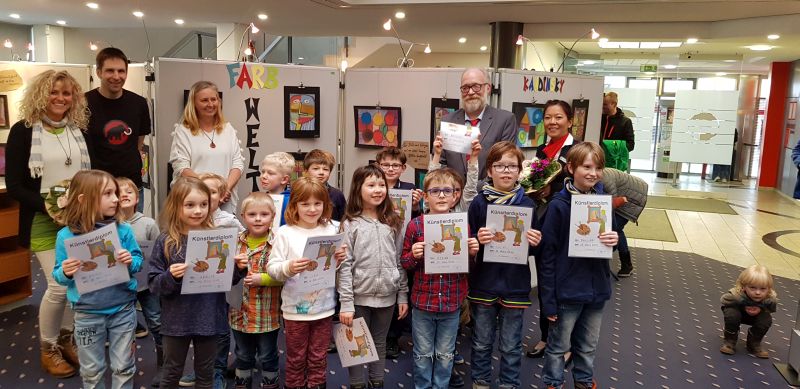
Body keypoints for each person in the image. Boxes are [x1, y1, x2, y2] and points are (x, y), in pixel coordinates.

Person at [6, 69, 92, 378]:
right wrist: (47, 206)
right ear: (42, 95)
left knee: (78, 283)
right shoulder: (23, 131)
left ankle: (68, 339)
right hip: (43, 220)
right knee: (58, 284)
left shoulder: (78, 130)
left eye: (66, 93)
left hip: (79, 220)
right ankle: (48, 347)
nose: (60, 98)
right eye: (54, 92)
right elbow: (14, 185)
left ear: (74, 98)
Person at [148, 177, 248, 388]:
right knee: (171, 372)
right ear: (176, 206)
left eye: (203, 204)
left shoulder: (217, 238)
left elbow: (225, 280)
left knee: (206, 373)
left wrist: (238, 269)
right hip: (176, 320)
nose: (198, 211)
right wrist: (171, 276)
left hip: (209, 316)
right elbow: (154, 284)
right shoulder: (166, 240)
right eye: (190, 205)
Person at [52, 169, 144, 389]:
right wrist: (65, 271)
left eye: (116, 193)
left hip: (122, 309)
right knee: (92, 372)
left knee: (124, 367)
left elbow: (139, 262)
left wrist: (130, 260)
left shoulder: (123, 230)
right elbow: (59, 277)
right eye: (108, 193)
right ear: (84, 200)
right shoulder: (66, 236)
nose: (116, 198)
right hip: (87, 313)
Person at [539, 142, 619, 389]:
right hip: (567, 290)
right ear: (571, 167)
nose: (593, 173)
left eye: (598, 167)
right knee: (558, 346)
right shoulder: (558, 205)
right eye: (586, 167)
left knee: (588, 345)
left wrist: (614, 240)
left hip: (595, 289)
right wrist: (548, 300)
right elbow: (547, 256)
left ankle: (584, 381)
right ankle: (553, 382)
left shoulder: (603, 203)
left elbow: (612, 240)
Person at [468, 141, 542, 389]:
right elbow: (468, 243)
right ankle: (480, 381)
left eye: (512, 166)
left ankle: (509, 383)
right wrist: (477, 239)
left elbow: (532, 249)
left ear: (520, 171)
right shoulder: (479, 203)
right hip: (484, 282)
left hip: (515, 284)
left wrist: (535, 242)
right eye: (500, 166)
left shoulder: (528, 205)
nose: (506, 171)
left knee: (511, 344)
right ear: (489, 171)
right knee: (481, 340)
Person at [400, 168, 479, 389]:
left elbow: (468, 268)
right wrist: (414, 255)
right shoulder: (416, 225)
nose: (442, 195)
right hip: (424, 303)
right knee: (423, 354)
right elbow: (405, 263)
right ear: (426, 197)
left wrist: (473, 254)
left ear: (456, 196)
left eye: (448, 191)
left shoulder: (462, 226)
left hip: (452, 303)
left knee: (445, 355)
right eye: (435, 191)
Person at [267, 178, 347, 389]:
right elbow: (272, 268)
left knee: (318, 357)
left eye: (317, 204)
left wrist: (338, 260)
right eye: (305, 204)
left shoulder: (333, 229)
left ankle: (317, 384)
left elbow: (335, 269)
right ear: (294, 205)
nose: (312, 209)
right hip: (295, 310)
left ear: (325, 205)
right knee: (295, 358)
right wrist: (289, 267)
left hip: (325, 308)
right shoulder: (285, 233)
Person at [338, 164, 409, 389]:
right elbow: (344, 266)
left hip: (388, 295)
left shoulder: (394, 221)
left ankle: (377, 381)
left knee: (379, 342)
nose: (378, 189)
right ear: (358, 188)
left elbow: (399, 260)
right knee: (356, 343)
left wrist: (402, 295)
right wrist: (346, 303)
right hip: (358, 296)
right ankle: (357, 383)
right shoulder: (350, 224)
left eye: (381, 185)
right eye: (371, 185)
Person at [527, 100, 579, 359]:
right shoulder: (542, 149)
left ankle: (566, 343)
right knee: (546, 279)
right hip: (543, 221)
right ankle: (547, 338)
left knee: (563, 282)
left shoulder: (577, 149)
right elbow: (537, 180)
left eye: (558, 117)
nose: (552, 122)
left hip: (567, 224)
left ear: (570, 120)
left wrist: (553, 189)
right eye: (548, 117)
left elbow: (580, 185)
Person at [85, 48, 151, 211]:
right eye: (110, 71)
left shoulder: (139, 103)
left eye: (121, 71)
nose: (116, 76)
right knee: (100, 236)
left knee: (131, 234)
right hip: (96, 188)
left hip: (130, 187)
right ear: (99, 72)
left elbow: (138, 144)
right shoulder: (83, 104)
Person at [229, 192, 282, 389]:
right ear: (243, 216)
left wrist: (263, 279)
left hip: (267, 315)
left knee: (268, 353)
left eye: (264, 214)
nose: (258, 219)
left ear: (273, 216)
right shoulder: (234, 243)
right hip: (239, 313)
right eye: (252, 214)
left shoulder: (277, 243)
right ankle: (243, 380)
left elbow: (286, 276)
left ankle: (270, 381)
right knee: (242, 352)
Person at [169, 81, 244, 214]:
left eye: (213, 99)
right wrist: (209, 190)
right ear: (194, 103)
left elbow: (237, 164)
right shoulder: (183, 131)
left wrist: (224, 189)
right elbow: (182, 167)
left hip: (224, 200)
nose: (210, 104)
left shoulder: (228, 129)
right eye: (204, 100)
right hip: (193, 200)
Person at [117, 177, 164, 386]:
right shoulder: (109, 226)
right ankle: (125, 365)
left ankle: (165, 361)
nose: (124, 194)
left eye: (129, 191)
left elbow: (159, 250)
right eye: (118, 192)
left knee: (156, 320)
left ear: (137, 197)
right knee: (125, 327)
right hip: (121, 286)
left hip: (146, 286)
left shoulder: (148, 223)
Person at [376, 146, 422, 358]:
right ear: (378, 165)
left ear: (403, 168)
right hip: (377, 245)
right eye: (386, 164)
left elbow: (418, 220)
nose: (390, 169)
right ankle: (377, 334)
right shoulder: (374, 186)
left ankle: (393, 337)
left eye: (395, 165)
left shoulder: (410, 188)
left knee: (401, 291)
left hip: (402, 245)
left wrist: (415, 206)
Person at [440, 68, 517, 182]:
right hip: (453, 195)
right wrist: (454, 190)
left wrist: (473, 191)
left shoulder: (505, 120)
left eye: (476, 86)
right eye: (465, 88)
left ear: (488, 88)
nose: (470, 92)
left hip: (487, 195)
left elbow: (505, 165)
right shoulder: (447, 121)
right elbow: (442, 163)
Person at [720, 264, 777, 358]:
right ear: (743, 287)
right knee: (732, 315)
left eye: (763, 289)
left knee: (766, 319)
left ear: (769, 289)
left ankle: (753, 343)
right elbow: (724, 300)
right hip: (738, 313)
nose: (758, 292)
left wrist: (760, 308)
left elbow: (771, 309)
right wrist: (744, 303)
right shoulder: (736, 294)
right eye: (753, 288)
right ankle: (730, 341)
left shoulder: (770, 299)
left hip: (755, 316)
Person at [599, 168, 648, 277]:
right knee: (614, 228)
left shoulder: (604, 179)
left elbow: (612, 202)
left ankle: (627, 265)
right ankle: (625, 265)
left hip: (634, 196)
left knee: (615, 228)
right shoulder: (598, 175)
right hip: (627, 192)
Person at [429, 135, 481, 212]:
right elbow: (431, 181)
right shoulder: (430, 204)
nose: (454, 193)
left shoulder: (463, 208)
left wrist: (474, 157)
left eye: (457, 190)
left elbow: (471, 187)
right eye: (447, 190)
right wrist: (437, 154)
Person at [304, 149, 347, 222]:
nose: (321, 172)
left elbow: (344, 220)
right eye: (316, 168)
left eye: (325, 169)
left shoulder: (337, 195)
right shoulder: (299, 193)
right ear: (306, 171)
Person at [260, 151, 295, 226]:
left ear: (284, 179)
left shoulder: (291, 202)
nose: (263, 176)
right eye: (263, 172)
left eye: (270, 173)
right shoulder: (260, 199)